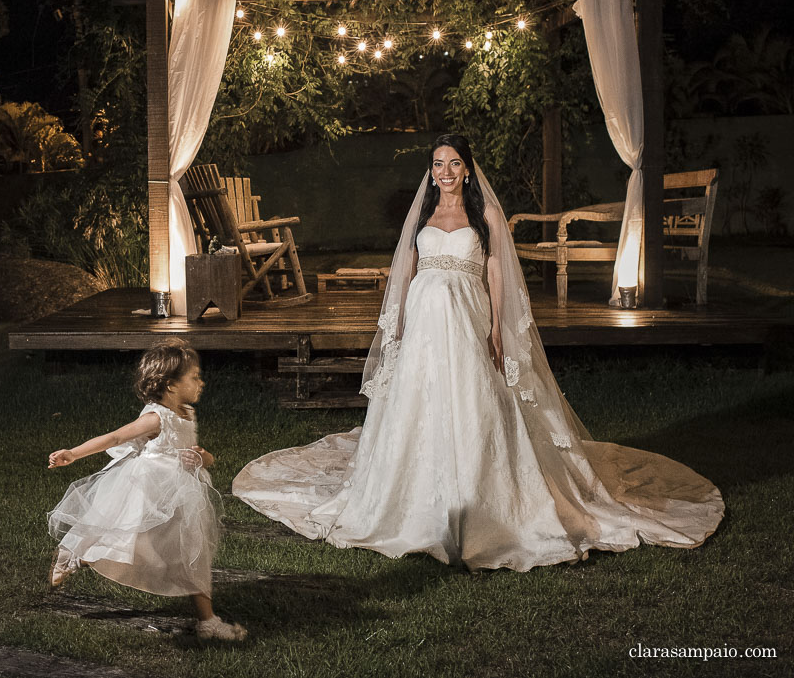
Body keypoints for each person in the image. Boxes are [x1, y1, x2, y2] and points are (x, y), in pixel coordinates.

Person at [233, 134, 724, 571]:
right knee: (418, 403)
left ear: (467, 168)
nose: (444, 172)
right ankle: (410, 499)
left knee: (473, 399)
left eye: (452, 163)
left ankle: (487, 497)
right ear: (431, 171)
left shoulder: (485, 214)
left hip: (467, 315)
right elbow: (404, 271)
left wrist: (494, 328)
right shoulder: (422, 214)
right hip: (424, 318)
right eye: (437, 164)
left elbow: (496, 272)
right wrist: (397, 323)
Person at [46, 337, 247, 641]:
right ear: (170, 385)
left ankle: (208, 620)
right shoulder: (156, 417)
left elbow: (204, 457)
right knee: (133, 546)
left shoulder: (187, 414)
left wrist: (202, 457)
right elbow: (114, 438)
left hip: (182, 495)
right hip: (148, 491)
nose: (201, 382)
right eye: (194, 377)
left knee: (193, 551)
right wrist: (73, 453)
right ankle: (78, 554)